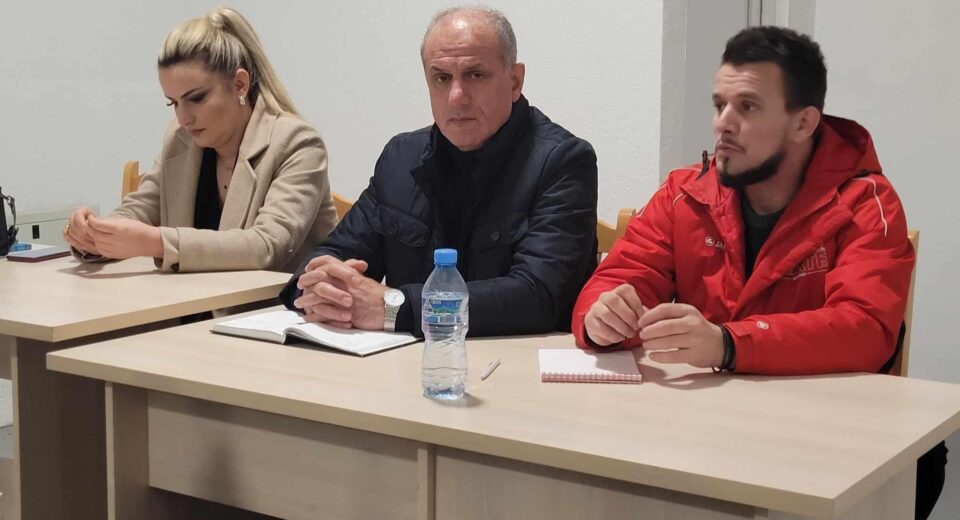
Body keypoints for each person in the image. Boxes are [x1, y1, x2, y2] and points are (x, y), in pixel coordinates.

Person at [572, 26, 943, 520]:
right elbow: (616, 280)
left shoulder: (865, 201)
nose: (723, 124)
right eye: (719, 104)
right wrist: (601, 319)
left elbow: (866, 329)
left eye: (747, 107)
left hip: (829, 440)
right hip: (708, 429)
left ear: (803, 122)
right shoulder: (684, 192)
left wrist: (729, 343)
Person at [280, 6, 597, 336]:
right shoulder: (401, 157)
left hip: (516, 361)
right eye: (442, 78)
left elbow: (538, 297)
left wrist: (394, 308)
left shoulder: (563, 161)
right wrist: (318, 287)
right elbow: (334, 253)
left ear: (514, 81)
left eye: (475, 75)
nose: (457, 96)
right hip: (405, 359)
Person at [63, 6, 337, 273]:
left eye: (196, 98)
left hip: (275, 303)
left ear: (239, 84)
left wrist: (156, 242)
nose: (183, 118)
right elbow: (140, 209)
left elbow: (266, 246)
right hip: (192, 301)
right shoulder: (180, 139)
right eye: (173, 102)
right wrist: (94, 234)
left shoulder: (297, 143)